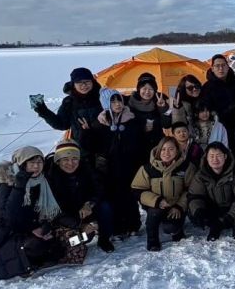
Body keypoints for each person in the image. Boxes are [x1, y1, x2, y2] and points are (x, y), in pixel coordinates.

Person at [0, 147, 82, 279]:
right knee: (37, 246)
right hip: (12, 237)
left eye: (39, 162)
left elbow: (48, 211)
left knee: (79, 238)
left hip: (37, 229)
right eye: (31, 163)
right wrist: (19, 188)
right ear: (22, 164)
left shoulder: (42, 181)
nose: (36, 166)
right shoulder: (7, 184)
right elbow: (8, 219)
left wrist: (75, 223)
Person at [91, 88, 145, 238]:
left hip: (129, 165)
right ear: (106, 104)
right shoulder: (99, 123)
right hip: (108, 168)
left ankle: (133, 224)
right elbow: (94, 145)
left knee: (129, 195)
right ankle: (118, 227)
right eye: (113, 101)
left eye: (119, 100)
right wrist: (85, 133)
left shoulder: (131, 119)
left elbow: (139, 141)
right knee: (113, 196)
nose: (117, 104)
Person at [45, 139, 111, 252]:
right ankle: (61, 248)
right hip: (63, 220)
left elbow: (98, 189)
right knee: (83, 237)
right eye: (65, 159)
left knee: (105, 207)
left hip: (83, 211)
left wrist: (89, 203)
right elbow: (54, 211)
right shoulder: (50, 177)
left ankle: (104, 239)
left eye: (74, 159)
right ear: (58, 161)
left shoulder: (86, 168)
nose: (70, 163)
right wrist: (79, 226)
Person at [131, 136, 196, 251]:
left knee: (170, 227)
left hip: (176, 205)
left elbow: (191, 189)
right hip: (156, 205)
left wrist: (179, 206)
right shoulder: (147, 168)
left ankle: (177, 229)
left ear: (177, 151)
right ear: (158, 150)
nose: (167, 152)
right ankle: (152, 240)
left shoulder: (186, 167)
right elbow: (137, 189)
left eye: (171, 149)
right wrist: (157, 201)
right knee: (154, 214)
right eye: (163, 149)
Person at [30, 67, 103, 159]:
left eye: (87, 81)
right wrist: (43, 110)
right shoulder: (69, 102)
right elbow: (61, 124)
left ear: (93, 82)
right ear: (73, 84)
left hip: (106, 147)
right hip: (82, 150)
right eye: (79, 82)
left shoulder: (103, 97)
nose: (84, 85)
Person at [187, 142, 235, 241]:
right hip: (212, 209)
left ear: (225, 156)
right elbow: (195, 196)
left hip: (230, 208)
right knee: (194, 213)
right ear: (206, 158)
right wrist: (198, 211)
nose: (215, 159)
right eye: (211, 156)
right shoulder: (200, 175)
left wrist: (230, 217)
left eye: (218, 156)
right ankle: (214, 227)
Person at [201, 54, 235, 145]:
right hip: (220, 127)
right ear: (212, 68)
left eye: (223, 65)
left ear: (228, 67)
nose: (221, 69)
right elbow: (206, 108)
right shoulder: (207, 87)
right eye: (217, 66)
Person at [125, 72, 169, 154]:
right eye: (144, 88)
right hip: (135, 145)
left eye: (151, 89)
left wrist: (162, 108)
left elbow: (166, 124)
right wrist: (142, 128)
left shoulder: (160, 100)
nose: (147, 92)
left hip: (156, 145)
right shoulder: (128, 102)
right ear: (139, 89)